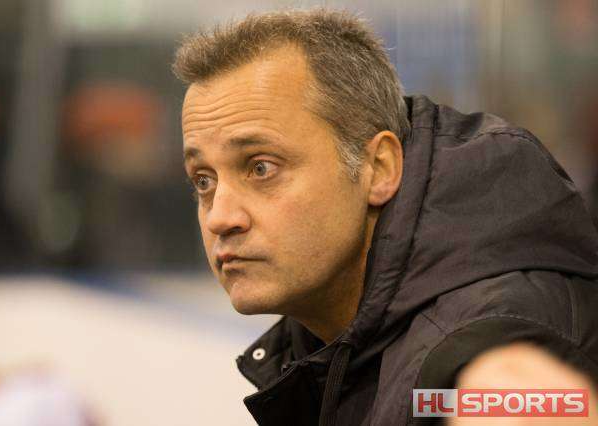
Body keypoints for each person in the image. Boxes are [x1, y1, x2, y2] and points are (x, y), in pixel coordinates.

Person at [173, 9, 598, 426]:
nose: (220, 218)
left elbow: (512, 396)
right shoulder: (328, 337)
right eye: (203, 180)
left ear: (378, 168)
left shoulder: (492, 346)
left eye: (261, 167)